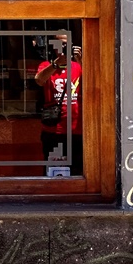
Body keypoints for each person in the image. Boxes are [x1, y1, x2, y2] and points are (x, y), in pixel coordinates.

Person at [35, 36, 82, 173]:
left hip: (76, 129)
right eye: (60, 44)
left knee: (77, 170)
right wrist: (56, 64)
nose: (64, 47)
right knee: (54, 171)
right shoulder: (46, 65)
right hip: (54, 129)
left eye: (67, 44)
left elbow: (93, 83)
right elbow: (39, 80)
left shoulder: (78, 66)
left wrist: (81, 60)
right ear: (54, 46)